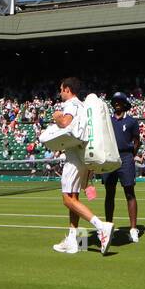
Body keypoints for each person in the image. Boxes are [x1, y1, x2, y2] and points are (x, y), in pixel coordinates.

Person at [50, 78, 114, 255]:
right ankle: (72, 240)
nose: (60, 92)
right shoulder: (82, 105)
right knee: (74, 199)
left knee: (67, 199)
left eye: (61, 89)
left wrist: (57, 117)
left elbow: (65, 123)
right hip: (82, 157)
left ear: (68, 90)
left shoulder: (70, 104)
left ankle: (102, 227)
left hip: (74, 158)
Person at [103, 92, 141, 244]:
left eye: (120, 101)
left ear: (125, 104)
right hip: (110, 158)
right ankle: (108, 228)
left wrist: (132, 155)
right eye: (115, 101)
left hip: (125, 157)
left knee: (129, 193)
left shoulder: (132, 121)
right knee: (109, 193)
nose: (117, 103)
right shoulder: (107, 121)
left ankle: (133, 229)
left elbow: (137, 140)